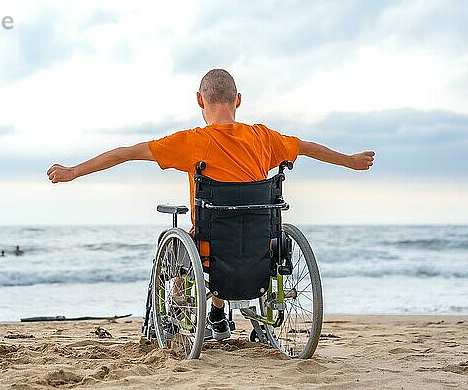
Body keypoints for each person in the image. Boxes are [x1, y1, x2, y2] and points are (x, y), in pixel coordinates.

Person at [47, 68, 375, 341]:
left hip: (208, 249)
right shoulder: (265, 138)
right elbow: (307, 147)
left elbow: (124, 153)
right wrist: (350, 161)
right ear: (239, 100)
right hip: (260, 245)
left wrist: (74, 171)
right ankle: (219, 311)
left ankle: (190, 317)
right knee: (236, 233)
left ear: (199, 101)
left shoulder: (191, 142)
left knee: (187, 244)